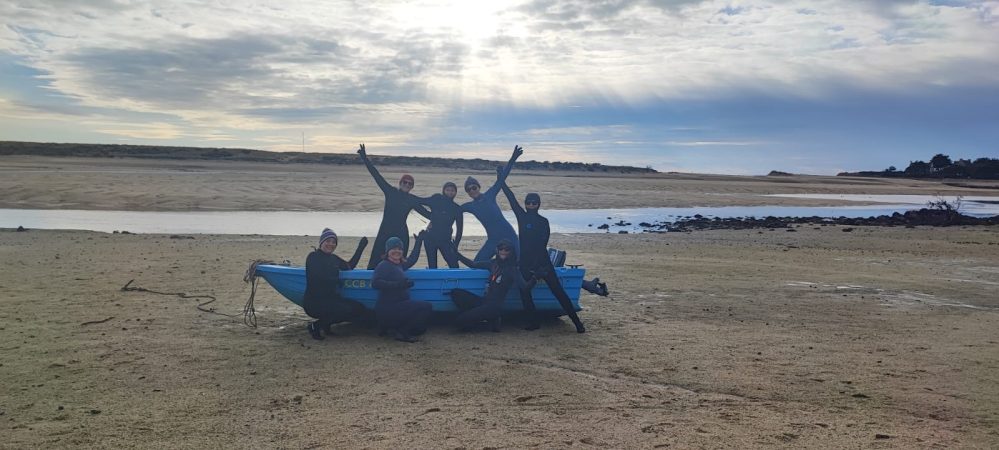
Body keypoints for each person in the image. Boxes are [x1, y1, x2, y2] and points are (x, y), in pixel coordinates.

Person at [499, 180, 587, 333]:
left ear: (538, 204)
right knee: (524, 292)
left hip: (543, 262)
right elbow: (511, 199)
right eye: (529, 203)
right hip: (526, 263)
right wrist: (502, 180)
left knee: (558, 292)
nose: (531, 205)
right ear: (525, 204)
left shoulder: (543, 221)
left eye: (534, 203)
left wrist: (538, 268)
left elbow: (542, 243)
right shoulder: (521, 217)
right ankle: (534, 322)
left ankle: (578, 323)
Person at [357, 143, 431, 269]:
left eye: (410, 184)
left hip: (401, 233)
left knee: (401, 263)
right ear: (400, 183)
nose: (407, 185)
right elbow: (377, 176)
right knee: (374, 263)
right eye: (405, 182)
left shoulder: (412, 200)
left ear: (412, 186)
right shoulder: (390, 192)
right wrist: (364, 158)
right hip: (384, 232)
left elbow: (429, 213)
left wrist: (435, 221)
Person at [449, 239, 530, 332]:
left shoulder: (513, 269)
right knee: (456, 293)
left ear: (511, 252)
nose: (503, 251)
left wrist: (536, 277)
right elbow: (473, 264)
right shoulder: (493, 263)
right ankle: (483, 318)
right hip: (484, 301)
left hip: (493, 307)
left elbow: (525, 287)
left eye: (507, 249)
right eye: (501, 249)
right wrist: (457, 254)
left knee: (458, 322)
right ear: (497, 250)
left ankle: (490, 321)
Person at [304, 228, 369, 340]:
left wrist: (361, 247)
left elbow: (350, 266)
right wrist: (335, 280)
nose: (331, 244)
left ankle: (326, 325)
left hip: (331, 299)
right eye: (328, 241)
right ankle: (316, 326)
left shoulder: (334, 259)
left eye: (334, 242)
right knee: (344, 310)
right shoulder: (313, 257)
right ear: (321, 242)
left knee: (358, 308)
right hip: (314, 301)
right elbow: (316, 276)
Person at [460, 145, 523, 261]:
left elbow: (502, 178)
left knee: (519, 263)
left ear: (478, 187)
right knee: (477, 262)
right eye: (468, 189)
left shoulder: (490, 195)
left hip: (509, 236)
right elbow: (452, 210)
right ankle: (496, 267)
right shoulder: (470, 206)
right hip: (493, 240)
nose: (472, 190)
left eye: (474, 187)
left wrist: (513, 158)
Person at [372, 233, 432, 342]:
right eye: (393, 248)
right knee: (426, 307)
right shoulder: (384, 265)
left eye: (399, 249)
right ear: (387, 251)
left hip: (398, 307)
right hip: (388, 308)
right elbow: (375, 283)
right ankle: (402, 332)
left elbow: (412, 259)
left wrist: (418, 242)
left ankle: (392, 328)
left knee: (421, 329)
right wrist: (399, 285)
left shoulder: (399, 264)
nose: (397, 251)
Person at [416, 181, 463, 268]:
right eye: (447, 190)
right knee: (432, 266)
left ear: (455, 192)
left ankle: (456, 281)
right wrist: (430, 216)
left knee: (454, 265)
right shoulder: (436, 199)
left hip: (446, 240)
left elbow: (460, 230)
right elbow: (420, 201)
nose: (450, 192)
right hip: (430, 239)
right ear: (443, 190)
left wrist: (455, 245)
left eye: (452, 190)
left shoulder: (457, 208)